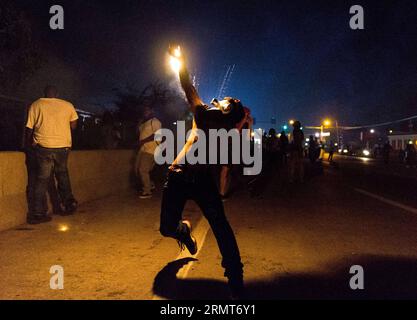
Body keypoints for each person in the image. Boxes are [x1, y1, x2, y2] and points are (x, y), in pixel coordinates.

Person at [160, 46, 245, 299]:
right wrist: (182, 63)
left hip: (202, 181)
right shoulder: (203, 113)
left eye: (228, 99)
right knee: (166, 229)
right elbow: (188, 88)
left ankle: (235, 275)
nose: (222, 98)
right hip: (177, 174)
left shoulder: (229, 128)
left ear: (229, 110)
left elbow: (229, 153)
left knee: (221, 226)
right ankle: (182, 232)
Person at [25, 86, 79, 224]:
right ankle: (68, 205)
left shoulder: (36, 104)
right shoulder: (67, 105)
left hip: (43, 147)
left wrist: (29, 144)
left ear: (44, 94)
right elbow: (73, 125)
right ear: (57, 93)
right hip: (63, 146)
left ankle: (37, 213)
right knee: (62, 174)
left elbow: (29, 128)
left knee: (42, 179)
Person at [135, 105, 161, 199]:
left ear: (152, 111)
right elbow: (139, 133)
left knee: (143, 170)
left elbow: (157, 135)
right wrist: (139, 123)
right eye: (144, 110)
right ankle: (150, 184)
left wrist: (142, 141)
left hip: (152, 149)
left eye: (147, 109)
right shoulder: (144, 123)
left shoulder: (155, 121)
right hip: (142, 149)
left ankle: (147, 191)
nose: (145, 111)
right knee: (137, 169)